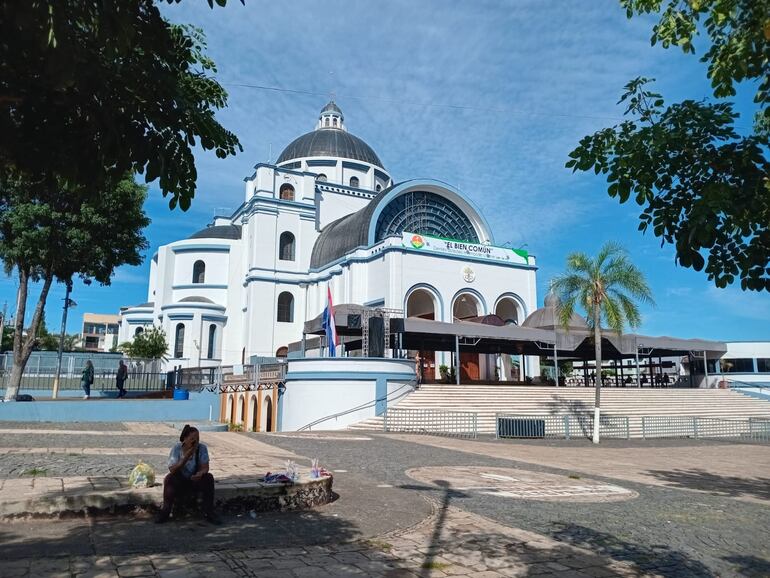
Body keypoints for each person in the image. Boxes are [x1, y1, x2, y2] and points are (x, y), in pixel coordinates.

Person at [156, 424, 220, 524]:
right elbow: (172, 469)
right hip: (181, 480)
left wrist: (200, 473)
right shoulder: (177, 449)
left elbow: (205, 467)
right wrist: (186, 456)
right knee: (169, 479)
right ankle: (165, 512)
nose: (195, 442)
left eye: (197, 439)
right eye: (192, 439)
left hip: (195, 480)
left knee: (209, 478)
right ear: (185, 439)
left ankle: (209, 512)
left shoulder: (202, 448)